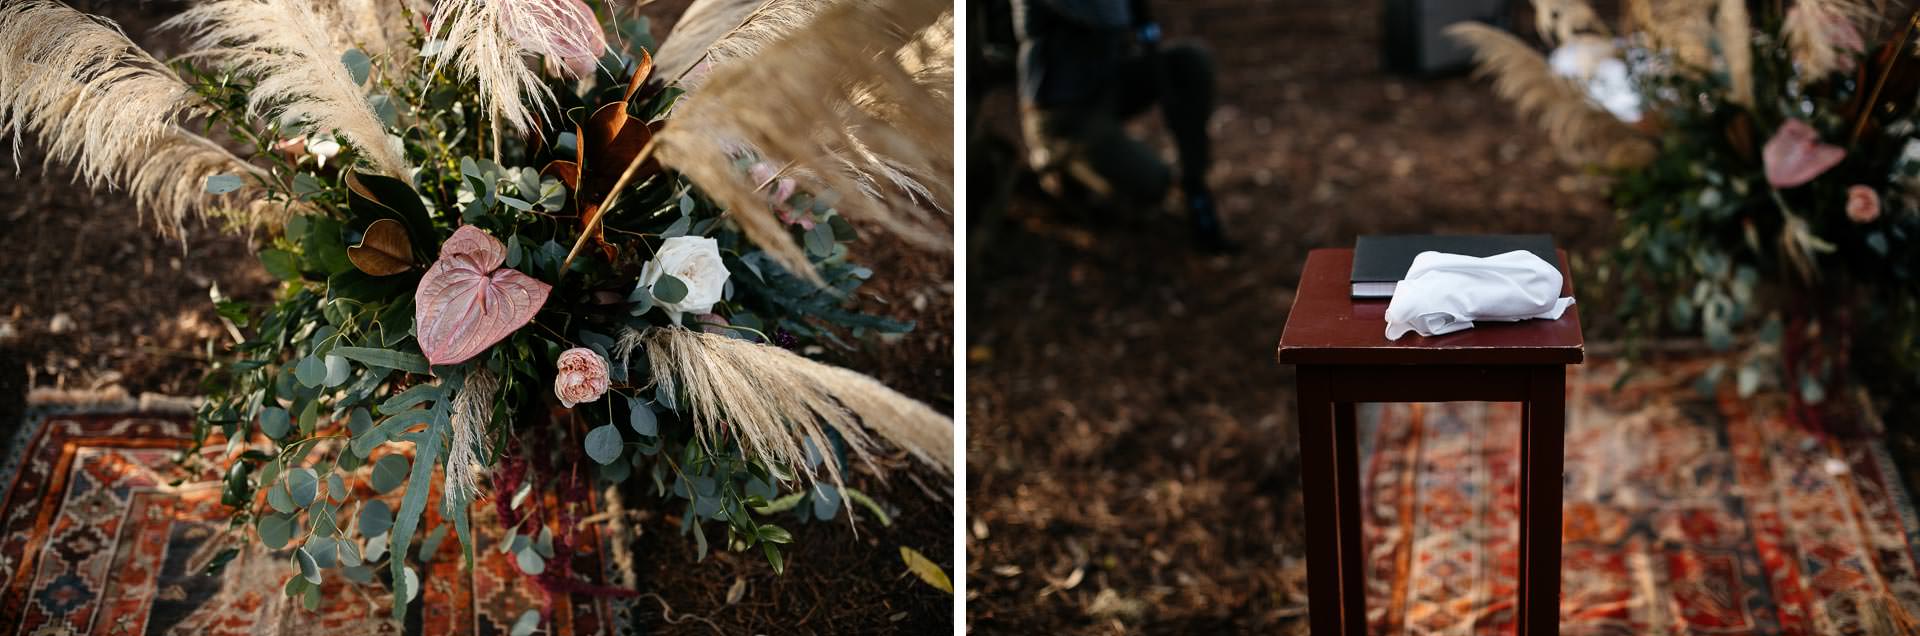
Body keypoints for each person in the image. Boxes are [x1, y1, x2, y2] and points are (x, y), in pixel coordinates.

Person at [1011, 0, 1228, 250]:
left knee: (1191, 63)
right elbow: (1108, 15)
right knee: (1154, 184)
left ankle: (1194, 184)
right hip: (1063, 116)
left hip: (1105, 85)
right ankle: (1061, 172)